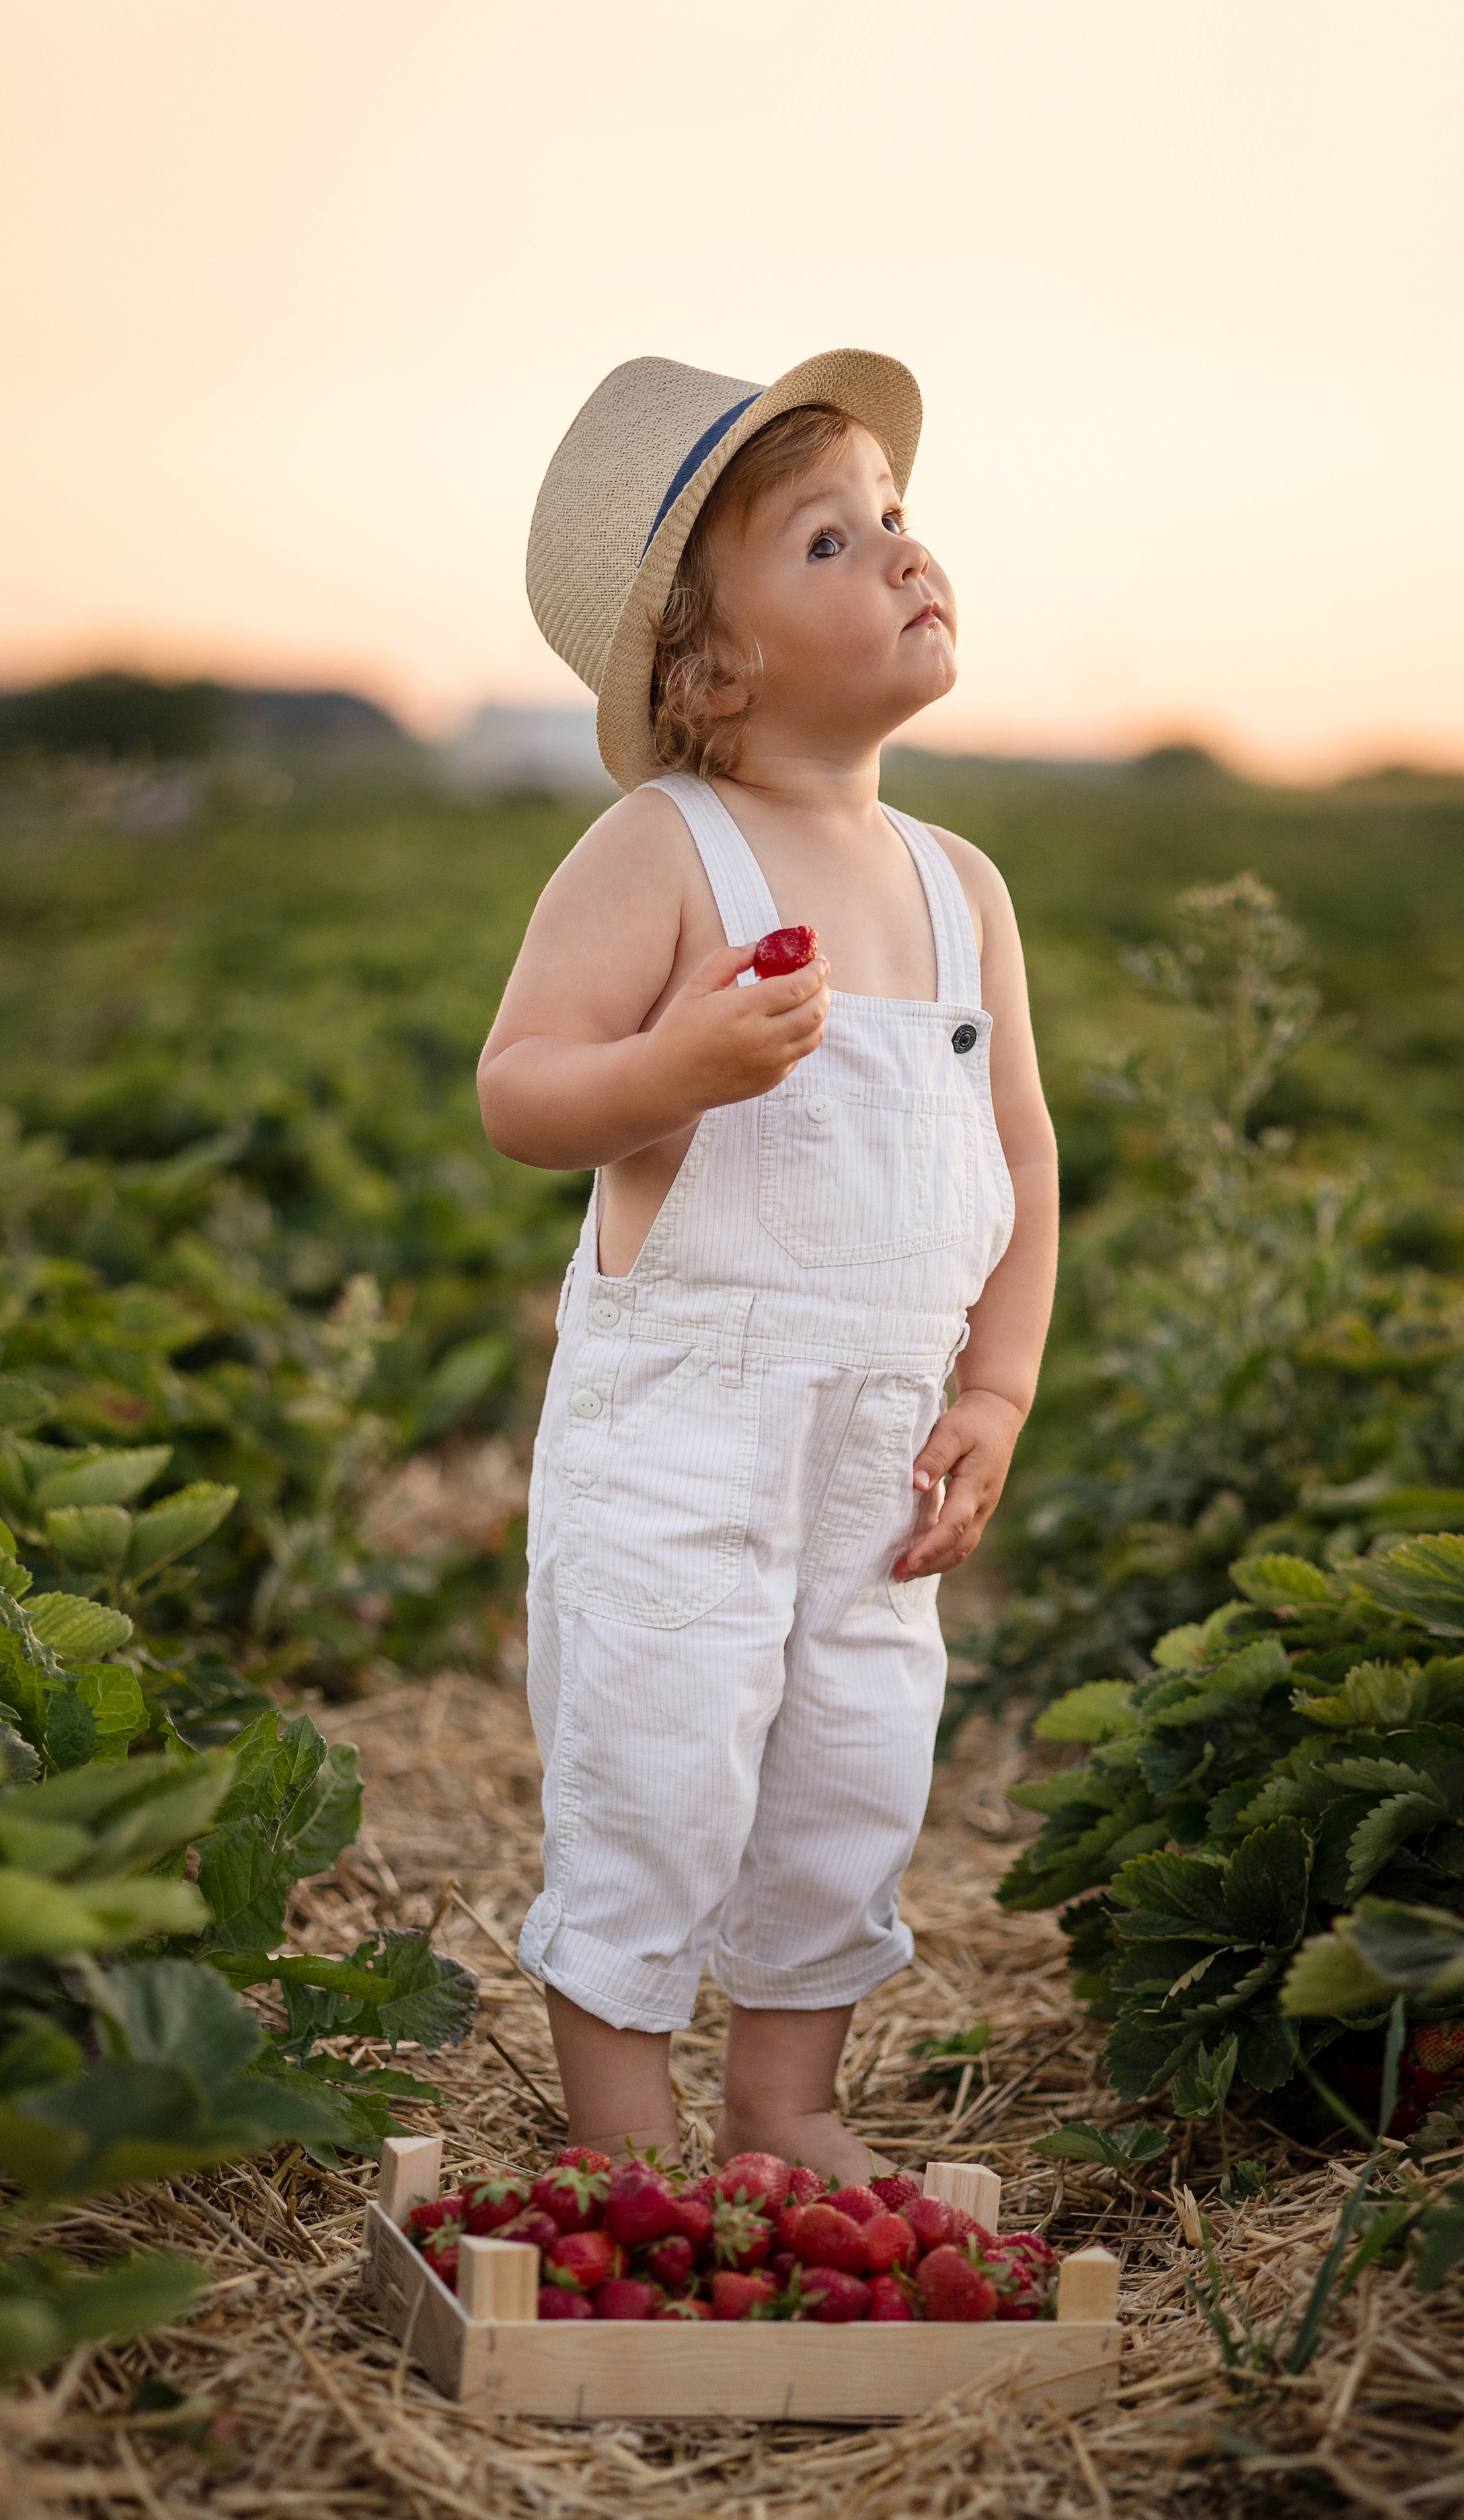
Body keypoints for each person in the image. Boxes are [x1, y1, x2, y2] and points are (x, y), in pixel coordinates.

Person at [477, 349, 1058, 2179]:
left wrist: (995, 1388)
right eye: (832, 537)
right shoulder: (666, 850)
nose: (902, 554)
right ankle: (626, 2147)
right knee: (657, 1765)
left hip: (877, 1445)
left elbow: (1024, 1162)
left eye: (896, 517)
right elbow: (520, 1090)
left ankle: (788, 2110)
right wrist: (672, 1072)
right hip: (685, 1445)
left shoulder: (961, 888)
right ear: (706, 667)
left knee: (848, 1775)